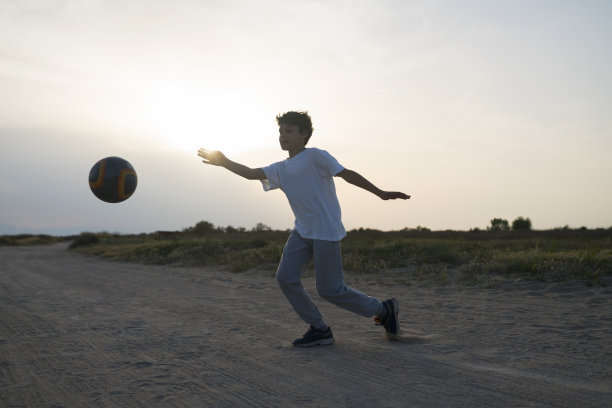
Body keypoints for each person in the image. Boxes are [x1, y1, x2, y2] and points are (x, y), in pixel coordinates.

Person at [198, 111, 410, 347]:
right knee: (286, 278)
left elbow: (347, 175)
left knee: (330, 289)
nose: (282, 135)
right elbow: (250, 174)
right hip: (302, 231)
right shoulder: (280, 168)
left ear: (304, 134)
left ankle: (383, 309)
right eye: (280, 131)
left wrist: (380, 193)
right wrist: (224, 162)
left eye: (289, 131)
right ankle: (319, 329)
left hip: (325, 231)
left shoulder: (316, 156)